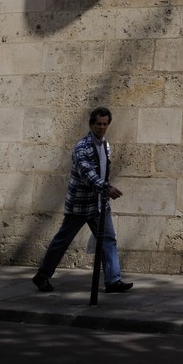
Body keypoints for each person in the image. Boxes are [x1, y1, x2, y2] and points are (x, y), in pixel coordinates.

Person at [32, 106, 133, 293]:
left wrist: (104, 191)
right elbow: (88, 175)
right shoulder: (82, 147)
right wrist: (106, 188)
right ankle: (42, 276)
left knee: (108, 239)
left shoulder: (105, 145)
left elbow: (103, 171)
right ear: (91, 124)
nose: (101, 128)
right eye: (98, 124)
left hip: (99, 203)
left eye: (105, 124)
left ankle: (113, 280)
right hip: (80, 205)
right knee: (62, 240)